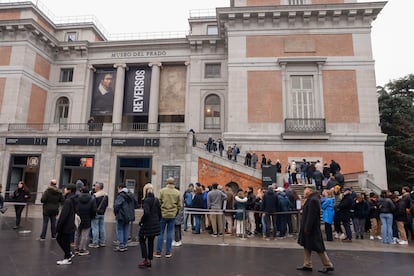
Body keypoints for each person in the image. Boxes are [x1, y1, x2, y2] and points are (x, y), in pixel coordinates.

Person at [297, 185, 334, 273]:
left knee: (318, 247)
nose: (303, 192)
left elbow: (311, 216)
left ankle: (328, 265)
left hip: (311, 228)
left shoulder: (313, 200)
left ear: (309, 190)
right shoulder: (311, 199)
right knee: (307, 246)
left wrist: (307, 227)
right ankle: (307, 264)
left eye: (305, 189)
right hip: (309, 227)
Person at [154, 177, 181, 258]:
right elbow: (179, 205)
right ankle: (168, 252)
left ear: (167, 182)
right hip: (172, 215)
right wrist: (176, 212)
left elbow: (158, 202)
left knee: (160, 233)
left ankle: (158, 252)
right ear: (174, 183)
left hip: (163, 214)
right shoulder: (177, 192)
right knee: (170, 233)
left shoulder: (162, 191)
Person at [138, 184, 161, 269]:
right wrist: (157, 221)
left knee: (141, 239)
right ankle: (150, 259)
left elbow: (146, 213)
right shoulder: (156, 200)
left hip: (147, 224)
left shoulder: (146, 200)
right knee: (151, 242)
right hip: (155, 223)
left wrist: (141, 221)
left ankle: (145, 259)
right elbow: (159, 212)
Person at [56, 184, 77, 265]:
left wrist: (58, 226)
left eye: (65, 189)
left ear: (69, 190)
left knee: (61, 239)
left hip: (66, 224)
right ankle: (68, 254)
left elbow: (64, 215)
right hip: (71, 223)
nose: (64, 190)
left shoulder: (68, 201)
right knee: (65, 240)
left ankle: (67, 256)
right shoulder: (74, 199)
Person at [74, 187, 96, 256]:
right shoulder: (92, 199)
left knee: (77, 233)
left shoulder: (77, 198)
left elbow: (75, 207)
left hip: (78, 217)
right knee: (85, 234)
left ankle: (76, 247)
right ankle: (82, 249)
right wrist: (92, 217)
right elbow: (94, 210)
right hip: (87, 218)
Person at [113, 184, 135, 252]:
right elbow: (135, 204)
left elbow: (117, 205)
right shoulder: (131, 195)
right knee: (126, 229)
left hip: (121, 215)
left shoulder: (121, 196)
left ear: (120, 188)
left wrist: (116, 212)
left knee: (120, 230)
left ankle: (121, 245)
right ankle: (125, 244)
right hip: (128, 216)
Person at [89, 182, 108, 248]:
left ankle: (95, 243)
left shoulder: (95, 195)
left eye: (96, 187)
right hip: (102, 213)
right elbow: (106, 204)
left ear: (98, 187)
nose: (94, 188)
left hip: (96, 213)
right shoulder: (106, 195)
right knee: (102, 228)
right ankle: (102, 242)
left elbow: (92, 205)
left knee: (95, 228)